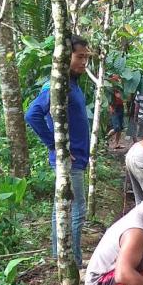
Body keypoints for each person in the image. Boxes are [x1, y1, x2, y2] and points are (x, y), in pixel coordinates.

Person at [25, 34, 93, 266]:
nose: (84, 62)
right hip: (69, 160)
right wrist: (56, 145)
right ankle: (72, 262)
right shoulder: (58, 84)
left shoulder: (72, 83)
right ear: (65, 57)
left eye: (86, 57)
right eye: (79, 57)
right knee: (76, 210)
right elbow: (32, 114)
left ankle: (61, 256)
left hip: (76, 158)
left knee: (62, 208)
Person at [107, 75, 126, 150]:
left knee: (120, 127)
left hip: (120, 107)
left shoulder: (119, 87)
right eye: (116, 79)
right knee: (116, 127)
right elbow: (108, 99)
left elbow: (122, 97)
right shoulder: (109, 88)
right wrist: (111, 107)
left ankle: (116, 144)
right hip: (114, 108)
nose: (117, 80)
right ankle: (104, 140)